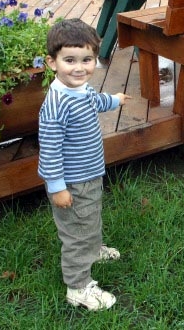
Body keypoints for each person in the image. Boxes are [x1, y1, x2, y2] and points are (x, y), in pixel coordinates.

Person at [38, 18, 131, 310]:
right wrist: (57, 187)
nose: (79, 68)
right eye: (70, 60)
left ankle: (93, 249)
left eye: (86, 60)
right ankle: (78, 286)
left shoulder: (81, 89)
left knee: (89, 219)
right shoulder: (57, 104)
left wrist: (114, 100)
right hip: (71, 182)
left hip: (90, 174)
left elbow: (95, 101)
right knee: (77, 232)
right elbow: (50, 151)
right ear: (52, 62)